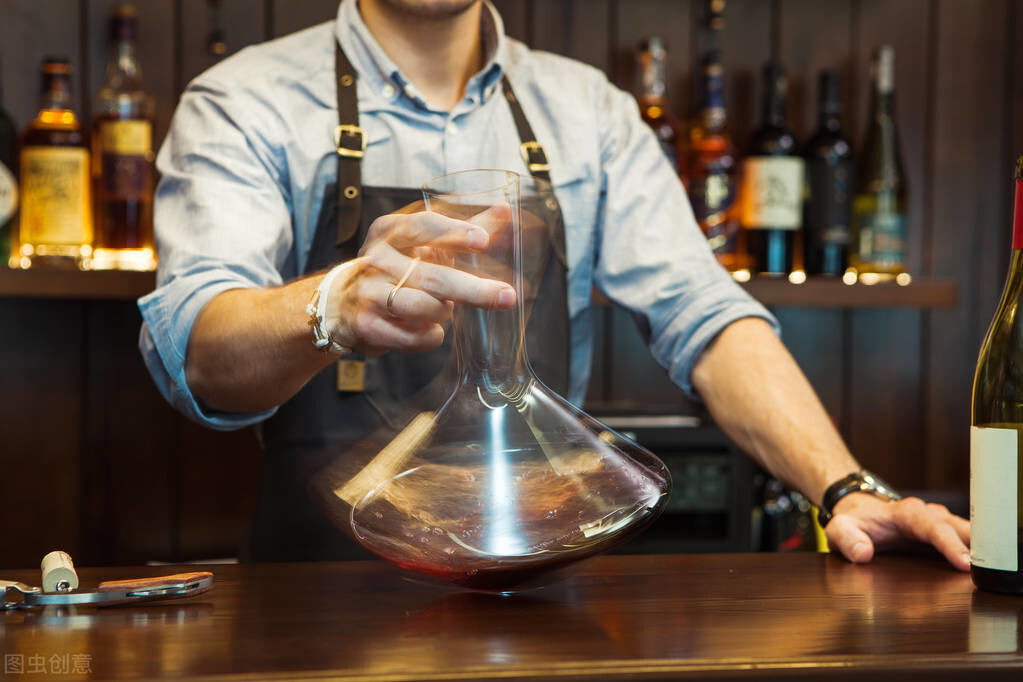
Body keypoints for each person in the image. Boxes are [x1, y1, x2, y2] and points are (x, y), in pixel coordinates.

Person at [139, 0, 970, 568]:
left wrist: (844, 488)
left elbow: (705, 316)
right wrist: (332, 304)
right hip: (313, 593)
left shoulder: (588, 113)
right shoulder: (243, 101)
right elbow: (197, 353)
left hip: (538, 586)